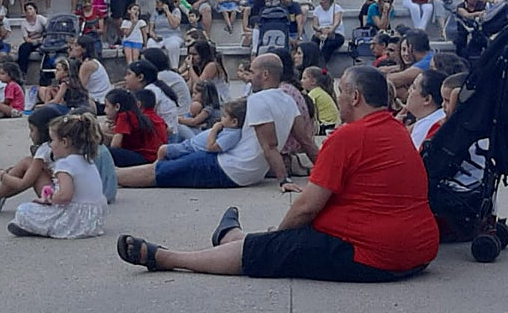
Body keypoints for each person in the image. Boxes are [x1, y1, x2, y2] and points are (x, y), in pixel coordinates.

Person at [115, 66, 439, 282]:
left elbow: (307, 207)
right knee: (278, 240)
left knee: (269, 250)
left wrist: (278, 238)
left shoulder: (348, 137)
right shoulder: (397, 131)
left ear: (354, 97)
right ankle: (231, 237)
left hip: (378, 255)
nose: (339, 98)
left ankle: (169, 258)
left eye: (341, 93)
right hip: (418, 250)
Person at [114, 53, 305, 191]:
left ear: (265, 75)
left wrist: (283, 180)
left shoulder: (258, 100)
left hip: (229, 167)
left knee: (159, 171)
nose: (248, 75)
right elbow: (306, 141)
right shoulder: (288, 100)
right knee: (167, 163)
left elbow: (269, 145)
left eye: (252, 71)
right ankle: (111, 174)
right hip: (243, 169)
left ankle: (109, 176)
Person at [8, 112, 107, 239]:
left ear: (64, 142)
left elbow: (65, 195)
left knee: (23, 210)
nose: (50, 145)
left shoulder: (64, 164)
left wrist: (49, 199)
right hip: (93, 220)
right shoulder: (87, 160)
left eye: (53, 140)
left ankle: (35, 226)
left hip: (74, 220)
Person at [159, 96, 245, 161]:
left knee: (162, 150)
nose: (221, 118)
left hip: (193, 148)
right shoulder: (227, 128)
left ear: (234, 122)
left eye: (225, 116)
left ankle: (156, 167)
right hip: (192, 143)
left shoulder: (232, 134)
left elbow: (210, 147)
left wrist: (215, 129)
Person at [403, 68, 447, 148]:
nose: (409, 91)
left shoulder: (427, 126)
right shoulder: (436, 117)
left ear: (427, 99)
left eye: (414, 88)